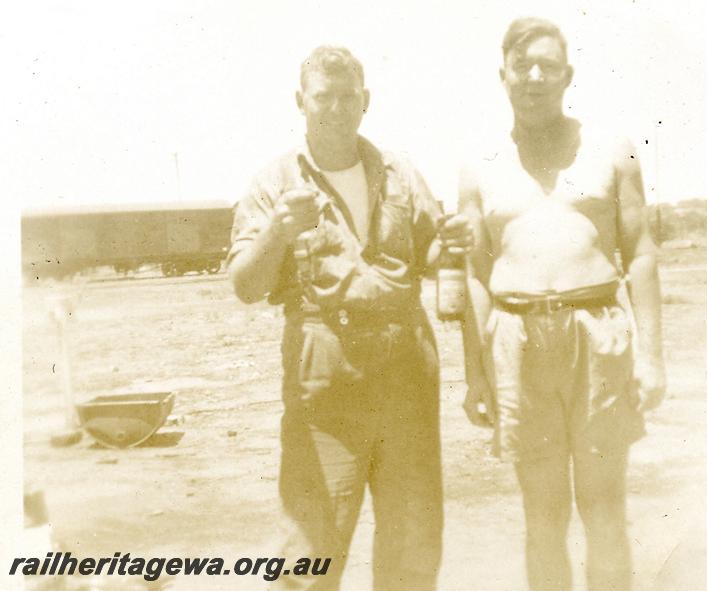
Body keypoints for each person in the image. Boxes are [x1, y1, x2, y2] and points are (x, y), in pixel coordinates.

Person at [227, 46, 472, 590]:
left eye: (348, 97)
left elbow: (431, 255)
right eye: (323, 97)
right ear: (300, 102)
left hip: (407, 374)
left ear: (366, 102)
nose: (336, 109)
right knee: (309, 553)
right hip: (326, 383)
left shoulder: (400, 172)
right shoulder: (275, 181)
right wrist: (278, 233)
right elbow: (245, 284)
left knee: (412, 548)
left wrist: (448, 244)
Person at [458, 17, 666, 591]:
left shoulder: (612, 151)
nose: (534, 76)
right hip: (518, 341)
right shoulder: (479, 165)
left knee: (603, 507)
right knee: (542, 514)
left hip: (596, 334)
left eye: (548, 65)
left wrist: (651, 358)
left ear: (567, 74)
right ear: (502, 77)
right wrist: (476, 373)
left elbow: (642, 254)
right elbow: (474, 274)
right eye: (522, 66)